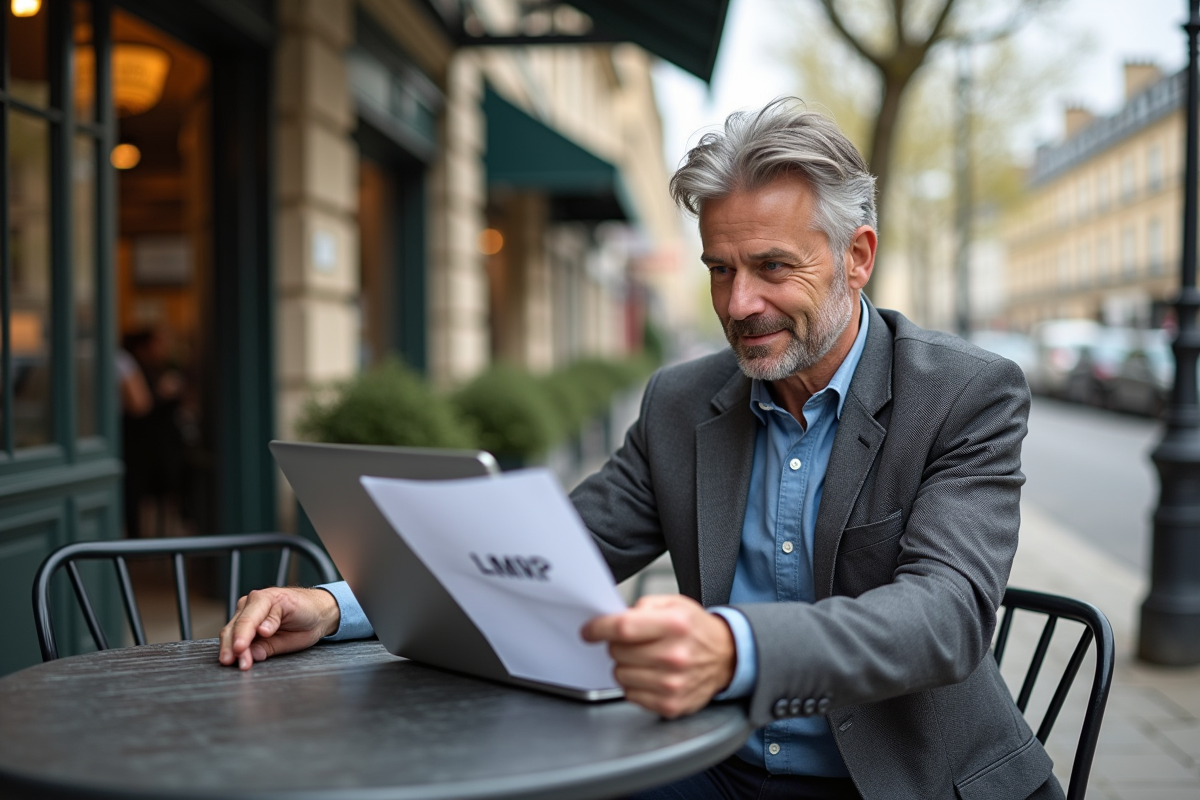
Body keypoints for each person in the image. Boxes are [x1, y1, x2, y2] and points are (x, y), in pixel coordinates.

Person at [219, 99, 1060, 800]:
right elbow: (543, 553)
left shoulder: (964, 393)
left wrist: (733, 647)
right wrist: (338, 606)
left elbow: (945, 617)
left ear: (857, 257)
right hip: (715, 762)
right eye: (719, 269)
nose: (740, 303)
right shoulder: (680, 404)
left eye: (772, 267)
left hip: (902, 779)